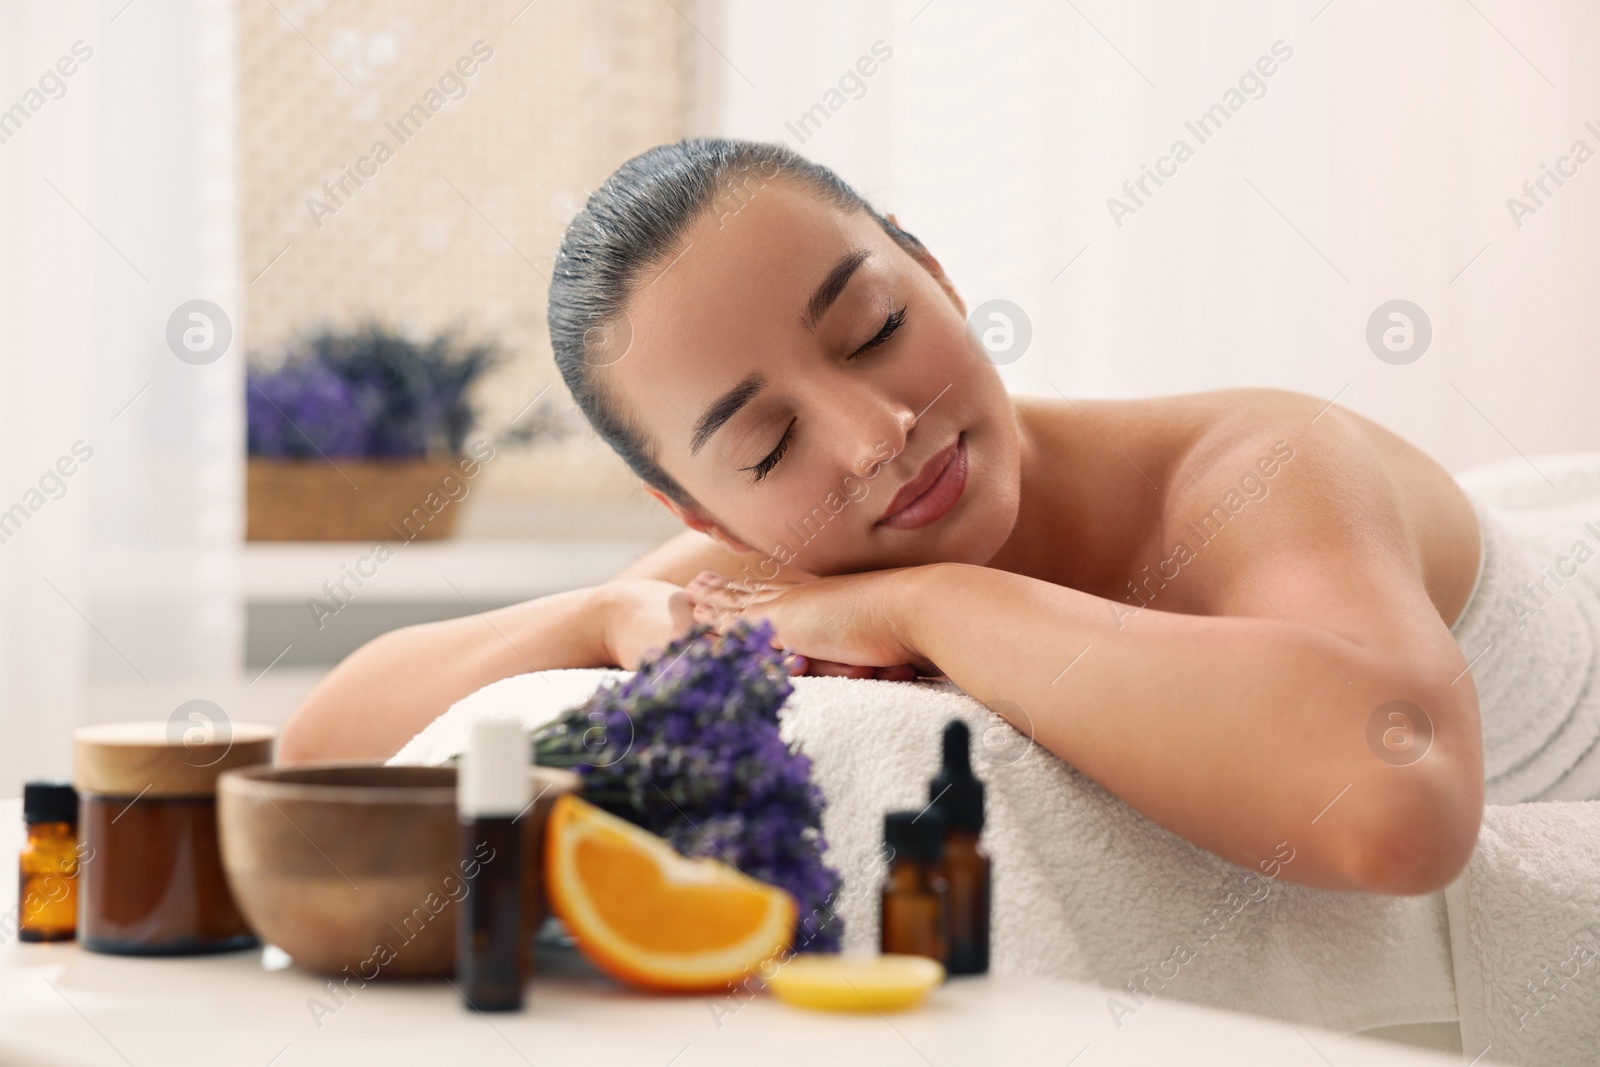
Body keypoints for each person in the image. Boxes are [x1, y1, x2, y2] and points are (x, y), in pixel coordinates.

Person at [281, 137, 1490, 897]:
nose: (874, 437)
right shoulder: (763, 555)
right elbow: (320, 754)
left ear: (937, 274)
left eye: (873, 329)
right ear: (696, 505)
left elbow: (1399, 808)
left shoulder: (1264, 461)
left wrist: (930, 598)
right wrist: (606, 610)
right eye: (768, 443)